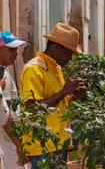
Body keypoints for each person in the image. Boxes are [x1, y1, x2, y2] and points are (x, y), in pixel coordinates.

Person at [19, 23, 87, 168]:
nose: (70, 58)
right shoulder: (34, 69)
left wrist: (74, 95)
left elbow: (56, 105)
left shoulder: (55, 68)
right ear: (55, 47)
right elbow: (32, 108)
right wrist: (64, 91)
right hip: (43, 145)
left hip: (58, 142)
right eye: (68, 54)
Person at [0, 31, 28, 169]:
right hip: (8, 140)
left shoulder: (4, 73)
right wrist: (18, 144)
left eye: (16, 49)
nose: (15, 54)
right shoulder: (2, 78)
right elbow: (4, 114)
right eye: (10, 49)